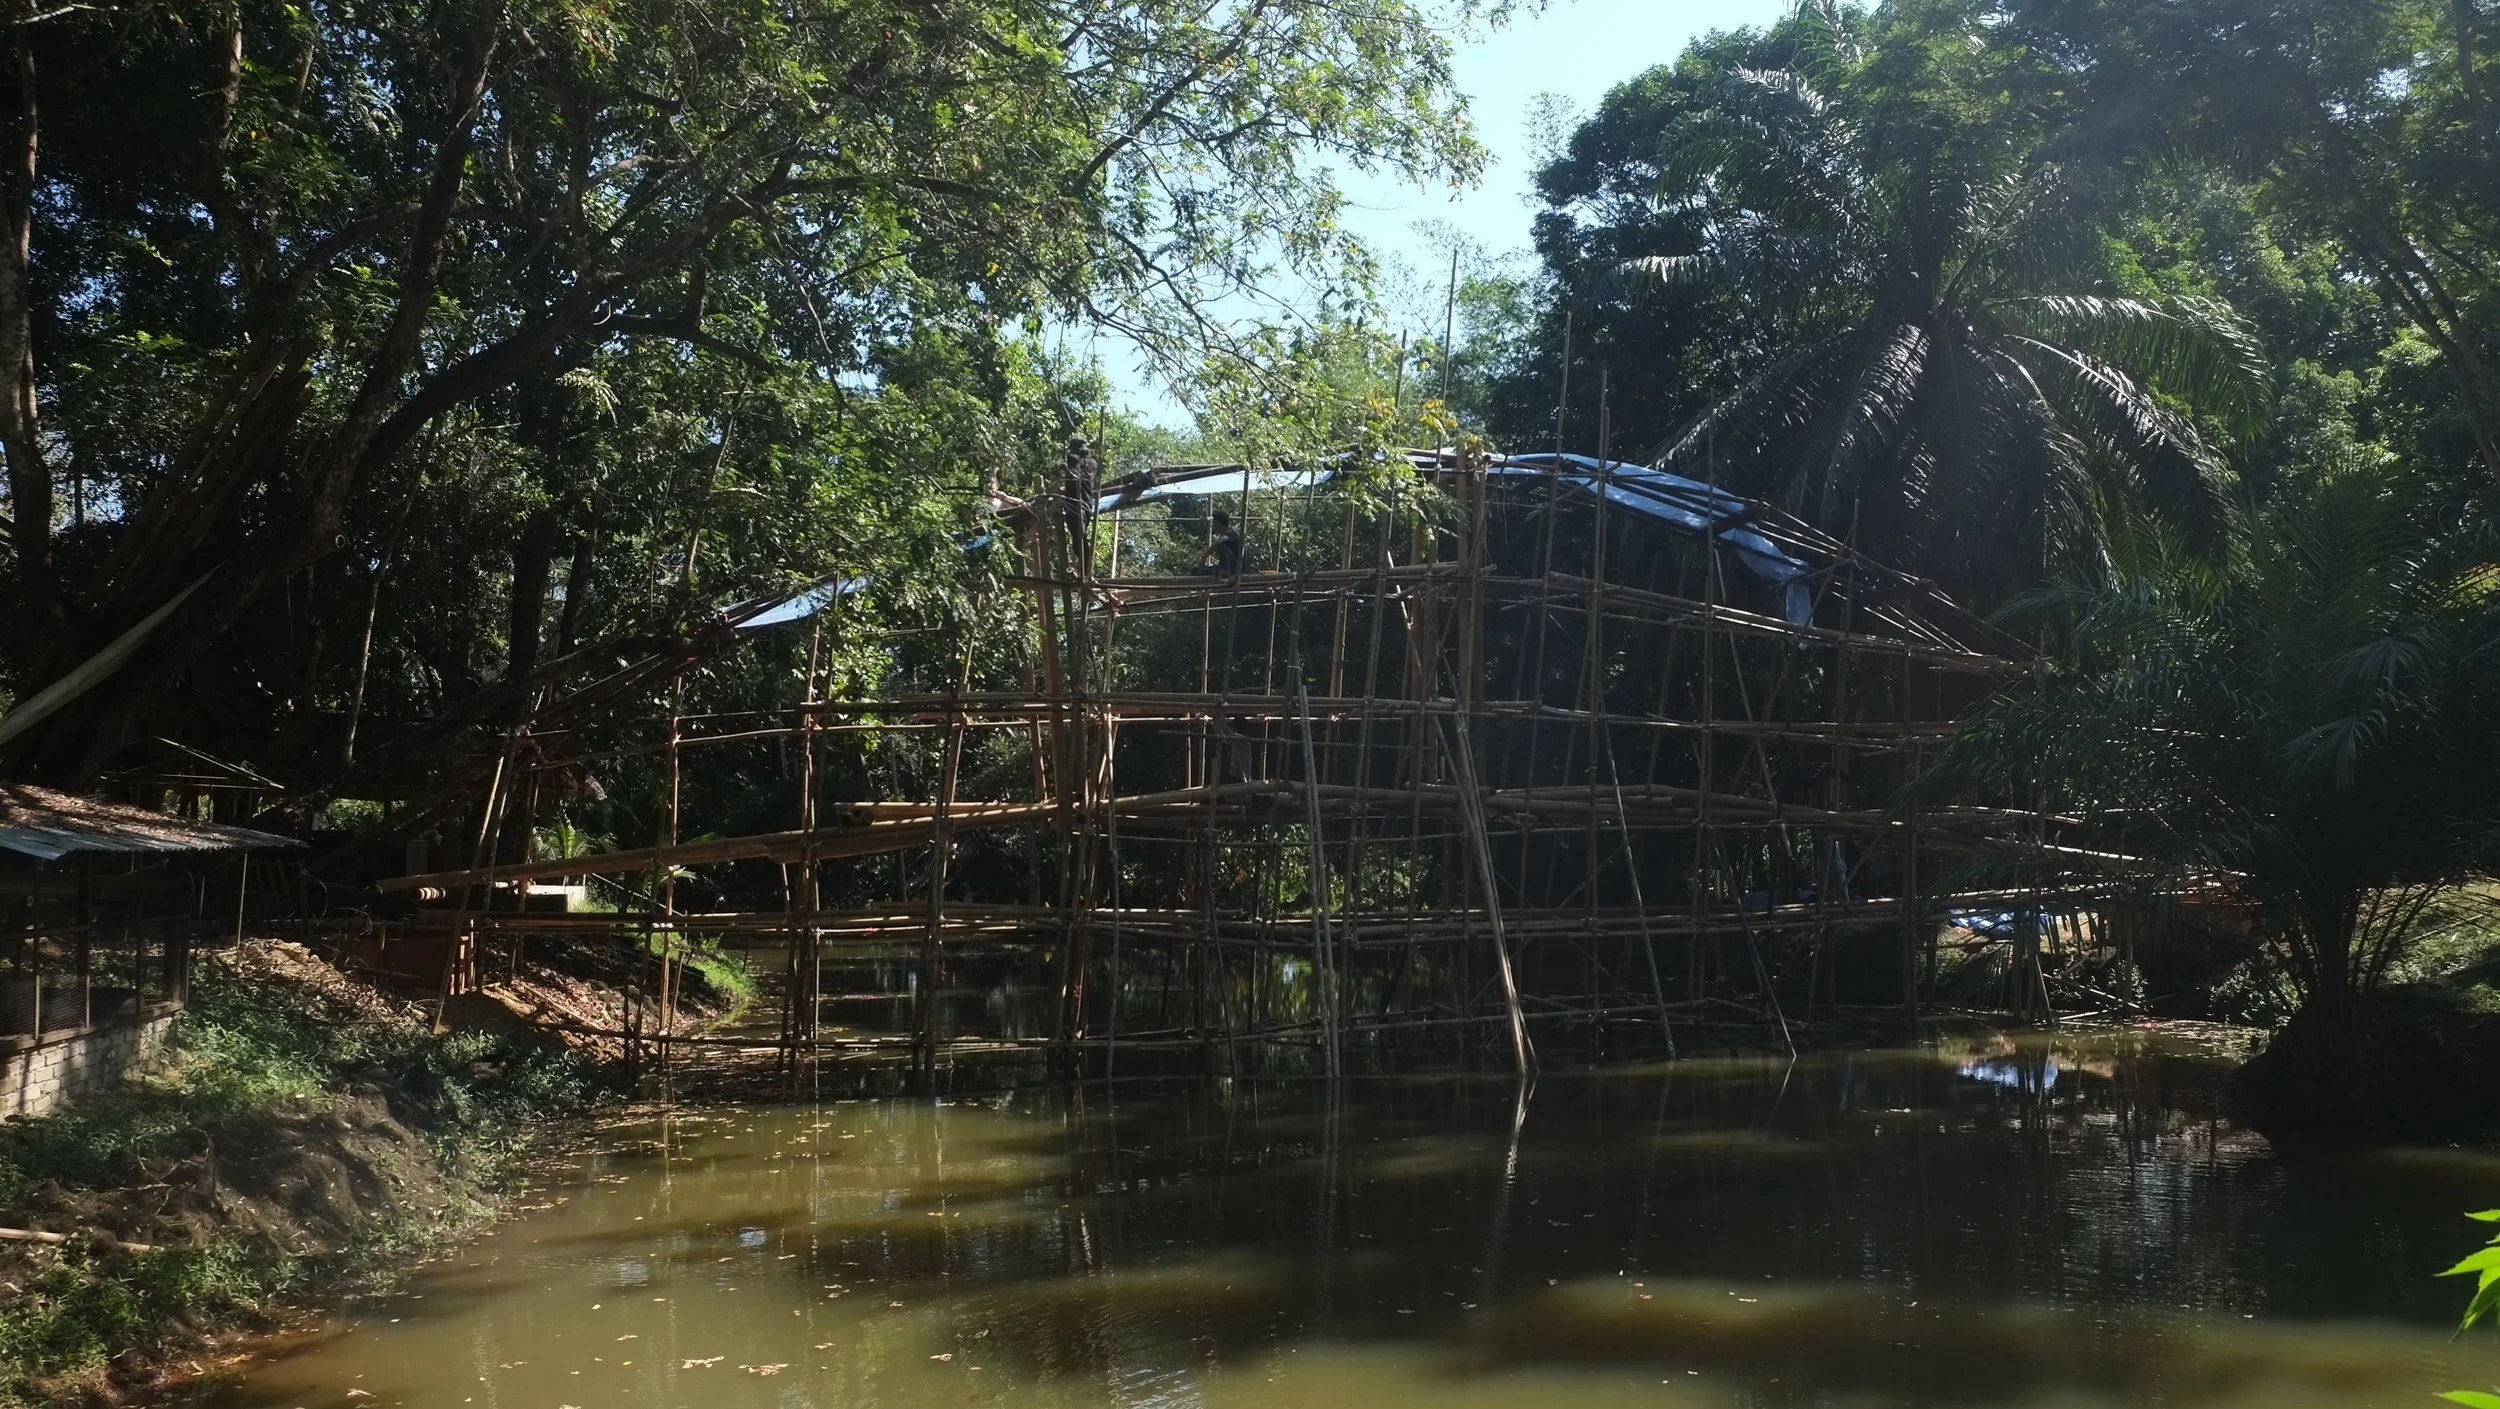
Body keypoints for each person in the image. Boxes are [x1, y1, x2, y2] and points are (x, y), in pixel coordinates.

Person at [1192, 509, 1244, 580]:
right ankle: (1220, 571)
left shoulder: (1231, 532)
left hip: (1235, 568)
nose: (1212, 525)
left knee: (1221, 545)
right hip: (1226, 566)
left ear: (1218, 523)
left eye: (1213, 523)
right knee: (1196, 570)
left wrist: (1203, 558)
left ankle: (1225, 571)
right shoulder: (1225, 534)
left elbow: (1219, 543)